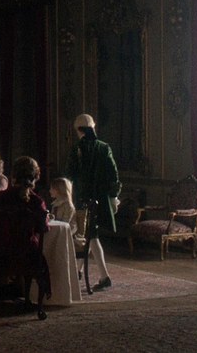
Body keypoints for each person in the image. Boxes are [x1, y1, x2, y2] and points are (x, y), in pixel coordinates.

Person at [0, 156, 51, 308]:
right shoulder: (37, 202)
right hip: (28, 256)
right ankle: (28, 298)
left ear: (13, 175)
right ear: (36, 176)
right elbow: (44, 228)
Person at [65, 113, 120, 291]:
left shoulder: (77, 149)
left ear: (78, 130)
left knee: (90, 236)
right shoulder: (104, 148)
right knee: (89, 235)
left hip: (82, 199)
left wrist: (67, 198)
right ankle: (79, 271)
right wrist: (113, 197)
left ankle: (104, 276)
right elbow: (113, 175)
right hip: (100, 199)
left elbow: (69, 176)